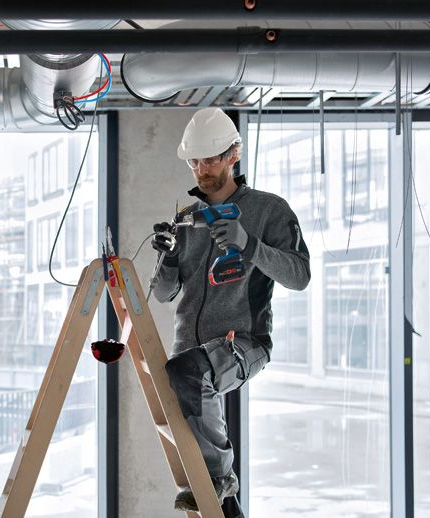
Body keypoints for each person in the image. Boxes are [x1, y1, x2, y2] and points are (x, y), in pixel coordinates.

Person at [150, 108, 311, 512]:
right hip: (190, 351)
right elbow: (163, 295)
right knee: (185, 372)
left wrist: (249, 244)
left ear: (233, 155)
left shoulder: (269, 210)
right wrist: (168, 258)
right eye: (195, 161)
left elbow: (299, 275)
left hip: (246, 341)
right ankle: (224, 498)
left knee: (187, 372)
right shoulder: (186, 219)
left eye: (211, 159)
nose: (202, 169)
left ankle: (221, 476)